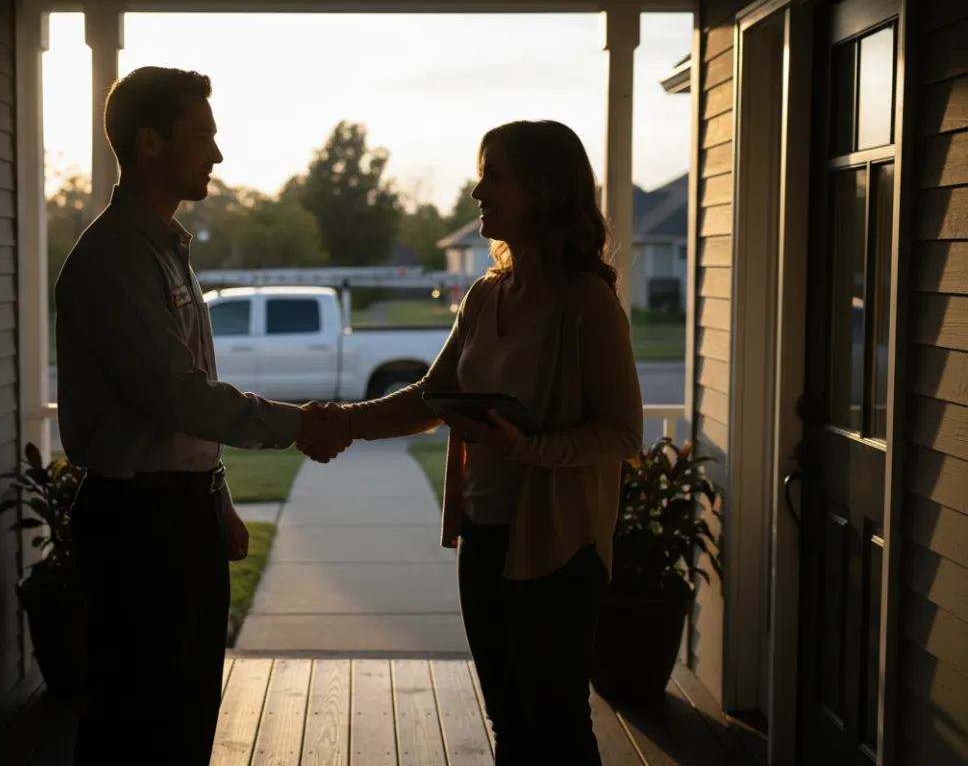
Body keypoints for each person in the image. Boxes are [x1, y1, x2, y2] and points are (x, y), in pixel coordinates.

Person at [303, 120, 643, 764]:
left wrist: (526, 448)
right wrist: (343, 421)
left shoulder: (587, 305)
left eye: (494, 175)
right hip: (484, 534)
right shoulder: (486, 296)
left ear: (543, 189)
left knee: (559, 726)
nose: (476, 189)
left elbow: (623, 433)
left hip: (559, 548)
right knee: (510, 721)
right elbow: (432, 396)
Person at [54, 66, 350, 765]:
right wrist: (301, 424)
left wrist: (212, 496)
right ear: (150, 142)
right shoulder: (118, 258)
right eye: (203, 136)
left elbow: (183, 404)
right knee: (138, 720)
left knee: (185, 712)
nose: (216, 153)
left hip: (175, 514)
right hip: (137, 525)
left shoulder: (166, 248)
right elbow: (179, 394)